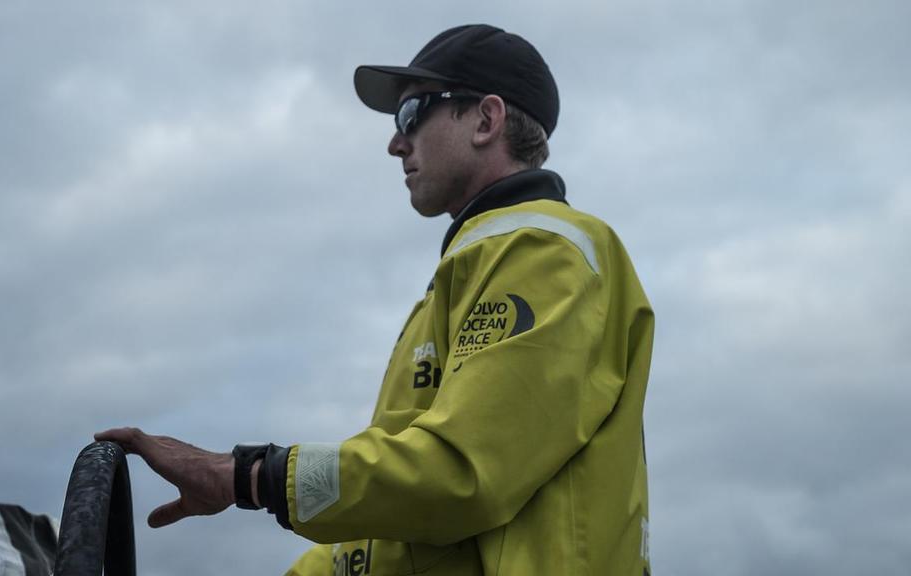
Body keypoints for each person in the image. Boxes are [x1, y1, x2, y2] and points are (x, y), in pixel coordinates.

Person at [97, 24, 655, 575]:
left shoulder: (545, 251)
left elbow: (460, 474)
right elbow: (397, 518)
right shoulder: (470, 273)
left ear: (486, 120)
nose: (395, 143)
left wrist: (242, 475)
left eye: (412, 115)